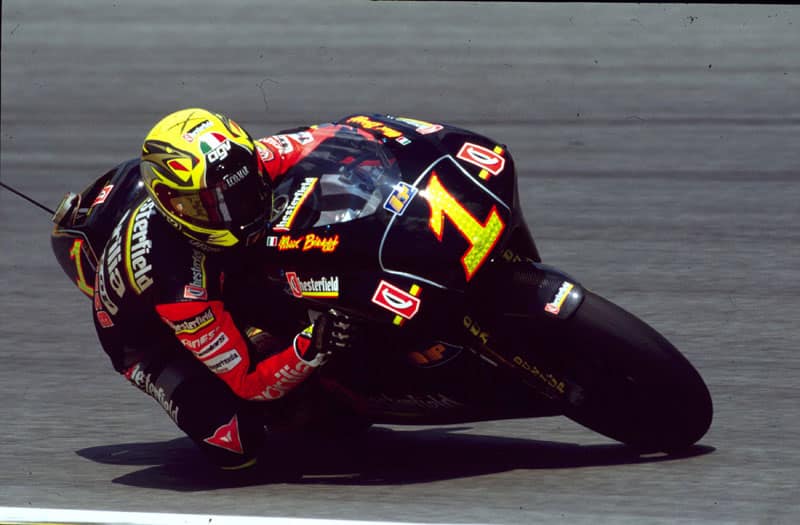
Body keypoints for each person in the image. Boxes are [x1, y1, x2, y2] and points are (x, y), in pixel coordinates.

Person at [91, 108, 356, 470]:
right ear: (178, 208)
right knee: (235, 443)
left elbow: (326, 139)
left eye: (243, 188)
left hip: (218, 268)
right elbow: (249, 381)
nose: (240, 206)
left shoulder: (239, 162)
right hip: (149, 344)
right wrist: (311, 346)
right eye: (214, 203)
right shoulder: (178, 285)